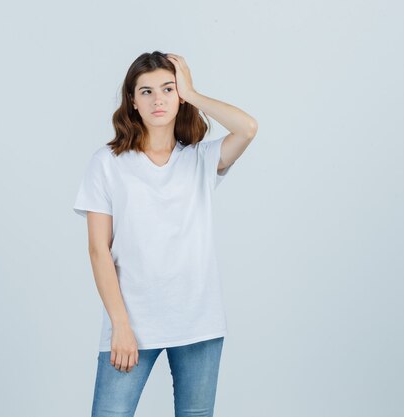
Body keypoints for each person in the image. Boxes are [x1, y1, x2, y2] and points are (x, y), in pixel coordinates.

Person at [72, 51, 258, 417]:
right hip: (131, 324)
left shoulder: (200, 159)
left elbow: (248, 128)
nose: (158, 100)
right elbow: (98, 250)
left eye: (168, 89)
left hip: (198, 324)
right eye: (146, 91)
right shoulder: (107, 164)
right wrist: (120, 326)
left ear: (180, 97)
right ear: (132, 101)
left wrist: (194, 92)